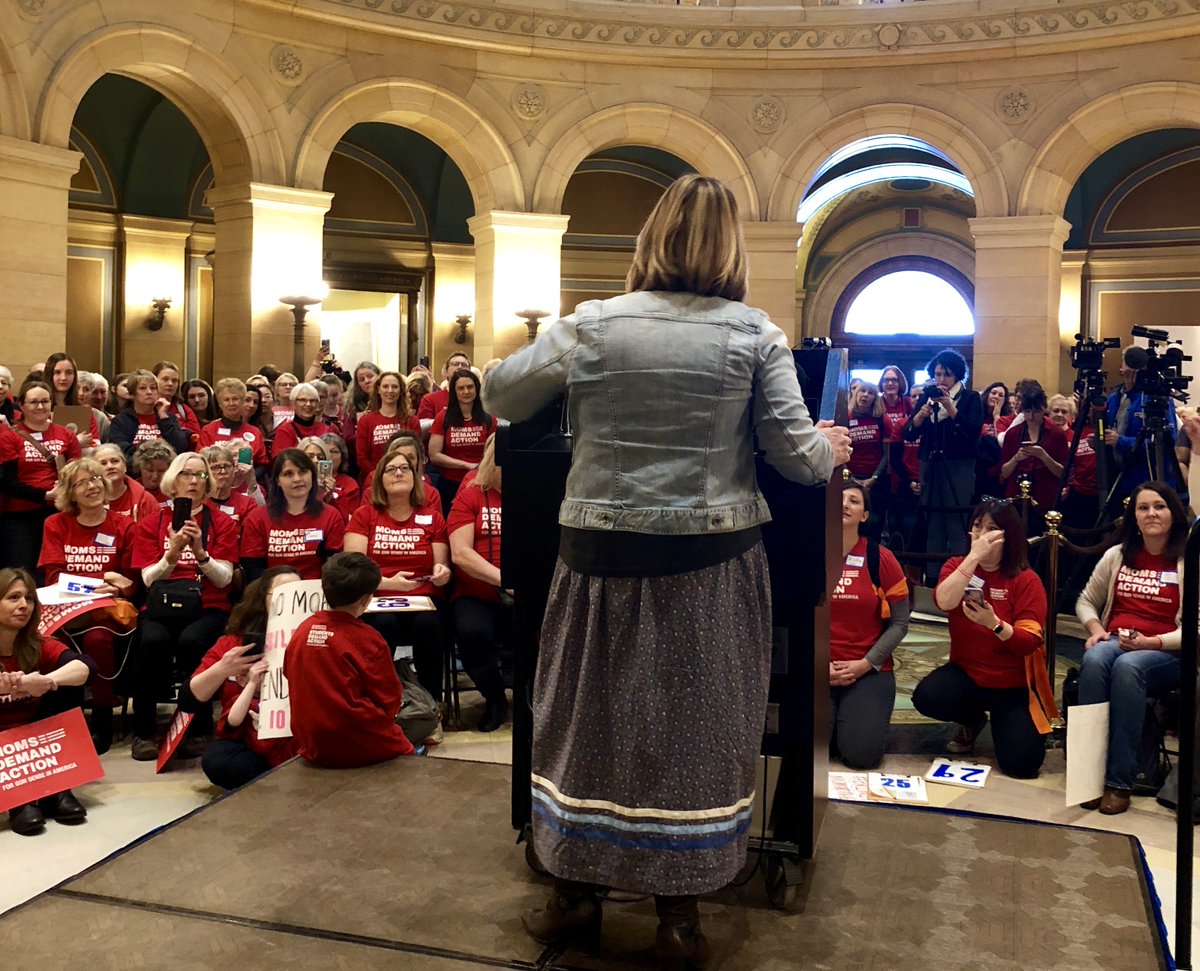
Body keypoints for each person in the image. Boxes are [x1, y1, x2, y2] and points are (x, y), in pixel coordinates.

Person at [483, 174, 846, 965]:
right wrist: (833, 447)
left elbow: (502, 394)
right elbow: (799, 458)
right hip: (710, 563)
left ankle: (573, 896)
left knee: (586, 720)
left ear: (648, 239)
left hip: (596, 555)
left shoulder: (593, 325)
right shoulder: (755, 333)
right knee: (697, 725)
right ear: (732, 249)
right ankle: (678, 917)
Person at [912, 498, 1056, 779]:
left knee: (1022, 765)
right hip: (968, 674)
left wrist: (995, 624)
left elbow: (1029, 641)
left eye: (992, 528)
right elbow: (943, 601)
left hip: (1013, 684)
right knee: (928, 697)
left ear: (1008, 536)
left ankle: (1008, 721)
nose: (983, 533)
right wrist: (973, 557)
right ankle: (972, 719)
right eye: (978, 526)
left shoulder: (1026, 580)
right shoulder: (957, 566)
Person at [1075, 481, 1187, 815]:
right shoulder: (1118, 555)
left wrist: (1154, 642)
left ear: (1173, 512)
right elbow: (1085, 601)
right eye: (1143, 508)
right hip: (1116, 639)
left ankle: (1119, 782)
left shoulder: (1188, 559)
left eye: (1159, 506)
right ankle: (1087, 777)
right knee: (1095, 657)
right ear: (1133, 516)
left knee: (1129, 667)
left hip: (1169, 651)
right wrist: (1095, 629)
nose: (1151, 513)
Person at [129, 451, 239, 760]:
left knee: (194, 642)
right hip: (161, 603)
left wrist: (201, 553)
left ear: (208, 484)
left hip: (207, 603)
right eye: (186, 474)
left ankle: (198, 727)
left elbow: (224, 579)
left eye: (200, 475)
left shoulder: (221, 522)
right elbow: (148, 579)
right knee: (151, 641)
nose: (193, 481)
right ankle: (144, 730)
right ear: (172, 481)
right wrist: (171, 554)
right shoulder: (152, 522)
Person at [38, 458, 137, 753]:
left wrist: (117, 583)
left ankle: (103, 719)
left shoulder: (123, 525)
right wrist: (95, 583)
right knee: (47, 644)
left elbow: (131, 582)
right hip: (65, 608)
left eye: (95, 479)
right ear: (70, 491)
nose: (92, 486)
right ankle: (58, 720)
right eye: (82, 482)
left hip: (107, 610)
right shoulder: (55, 524)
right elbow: (54, 577)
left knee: (97, 639)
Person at [283, 552, 418, 766]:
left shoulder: (302, 630)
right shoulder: (368, 639)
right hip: (360, 741)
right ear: (366, 599)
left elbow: (288, 673)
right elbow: (389, 698)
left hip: (312, 743)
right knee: (408, 750)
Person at [346, 448, 451, 713]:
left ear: (416, 478)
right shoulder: (364, 516)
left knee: (429, 624)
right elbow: (353, 572)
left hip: (424, 599)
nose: (399, 473)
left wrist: (442, 573)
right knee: (384, 624)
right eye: (391, 469)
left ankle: (430, 705)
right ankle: (381, 703)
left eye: (405, 468)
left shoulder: (432, 517)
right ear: (380, 479)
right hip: (377, 600)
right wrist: (389, 583)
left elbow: (441, 565)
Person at [181, 567, 301, 789]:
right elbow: (189, 700)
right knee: (218, 761)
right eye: (282, 594)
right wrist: (223, 668)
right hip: (249, 740)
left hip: (300, 738)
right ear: (262, 599)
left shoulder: (315, 639)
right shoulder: (235, 643)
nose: (290, 600)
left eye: (297, 593)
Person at [0, 568, 95, 835]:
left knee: (67, 685)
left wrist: (46, 681)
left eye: (29, 599)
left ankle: (56, 789)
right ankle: (19, 799)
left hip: (33, 737)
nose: (23, 606)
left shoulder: (37, 643)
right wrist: (14, 683)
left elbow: (85, 667)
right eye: (13, 598)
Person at [829, 479, 909, 769]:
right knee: (809, 749)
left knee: (861, 755)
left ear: (864, 515)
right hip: (816, 667)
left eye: (854, 500)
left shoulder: (880, 558)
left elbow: (900, 622)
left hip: (868, 668)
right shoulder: (808, 554)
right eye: (838, 497)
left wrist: (866, 663)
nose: (844, 504)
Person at [902, 349, 984, 585]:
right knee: (932, 522)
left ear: (957, 376)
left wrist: (950, 407)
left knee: (955, 522)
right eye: (937, 374)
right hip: (930, 463)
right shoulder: (926, 395)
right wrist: (920, 416)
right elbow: (909, 433)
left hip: (959, 466)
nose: (941, 380)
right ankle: (933, 580)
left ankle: (958, 578)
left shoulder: (971, 399)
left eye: (946, 375)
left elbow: (972, 432)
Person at [0, 381, 82, 571]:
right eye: (34, 402)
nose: (40, 407)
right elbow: (6, 482)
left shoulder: (66, 435)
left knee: (55, 569)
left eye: (45, 401)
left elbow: (78, 472)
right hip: (20, 517)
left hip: (60, 512)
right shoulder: (9, 437)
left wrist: (63, 491)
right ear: (22, 406)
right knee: (23, 570)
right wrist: (44, 495)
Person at [240, 449, 345, 583]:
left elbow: (335, 569)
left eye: (303, 472)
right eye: (288, 474)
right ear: (278, 480)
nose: (297, 479)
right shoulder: (257, 518)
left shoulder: (331, 516)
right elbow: (252, 570)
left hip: (317, 593)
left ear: (312, 475)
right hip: (270, 592)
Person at [1105, 347, 1179, 510]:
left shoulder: (1157, 399)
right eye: (1128, 360)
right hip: (1118, 481)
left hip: (1149, 482)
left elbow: (1166, 443)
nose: (1133, 366)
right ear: (1121, 367)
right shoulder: (1113, 399)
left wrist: (1120, 441)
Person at [998, 380, 1067, 532]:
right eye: (1027, 411)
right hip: (1016, 498)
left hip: (1045, 498)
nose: (1031, 416)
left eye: (1036, 411)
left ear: (1044, 409)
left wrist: (1044, 456)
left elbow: (1063, 473)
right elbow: (1004, 472)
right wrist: (1016, 458)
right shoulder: (1013, 433)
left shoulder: (1056, 434)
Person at [429, 369, 496, 514]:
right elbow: (434, 454)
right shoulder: (443, 417)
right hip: (449, 483)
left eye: (470, 387)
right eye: (461, 388)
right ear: (454, 391)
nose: (466, 391)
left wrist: (478, 468)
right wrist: (466, 465)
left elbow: (493, 453)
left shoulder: (489, 418)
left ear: (477, 389)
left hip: (481, 482)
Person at [109, 369, 191, 461]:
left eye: (153, 388)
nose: (149, 392)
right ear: (132, 394)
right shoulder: (121, 420)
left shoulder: (168, 417)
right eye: (142, 388)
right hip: (136, 470)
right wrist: (152, 446)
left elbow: (181, 447)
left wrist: (163, 417)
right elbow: (121, 452)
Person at [355, 371, 419, 487]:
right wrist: (381, 477)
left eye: (395, 387)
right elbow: (362, 458)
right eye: (385, 386)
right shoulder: (366, 420)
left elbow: (416, 455)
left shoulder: (412, 421)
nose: (390, 390)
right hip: (374, 481)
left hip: (404, 480)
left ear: (401, 391)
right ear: (378, 390)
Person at [199, 377, 271, 474]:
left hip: (246, 485)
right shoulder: (208, 430)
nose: (231, 403)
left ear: (242, 401)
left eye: (235, 399)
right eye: (226, 400)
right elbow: (201, 463)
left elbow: (262, 464)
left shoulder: (254, 432)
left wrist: (249, 479)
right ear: (220, 404)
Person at [846, 380, 889, 535]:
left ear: (875, 398)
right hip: (850, 477)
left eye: (870, 393)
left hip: (876, 479)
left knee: (875, 525)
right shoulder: (845, 416)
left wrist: (874, 478)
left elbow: (887, 454)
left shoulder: (882, 419)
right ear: (855, 393)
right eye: (862, 391)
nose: (865, 395)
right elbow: (839, 451)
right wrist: (849, 477)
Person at [201, 443, 261, 535]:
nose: (223, 471)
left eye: (227, 466)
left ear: (234, 470)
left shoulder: (248, 504)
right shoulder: (197, 502)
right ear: (205, 473)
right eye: (216, 467)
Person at [92, 443, 159, 522]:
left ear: (125, 466)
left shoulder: (146, 500)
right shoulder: (88, 501)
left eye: (115, 461)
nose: (110, 466)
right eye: (103, 463)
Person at [42, 353, 97, 447]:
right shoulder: (39, 409)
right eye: (57, 372)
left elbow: (94, 443)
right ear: (49, 375)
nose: (63, 378)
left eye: (69, 373)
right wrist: (74, 442)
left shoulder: (84, 411)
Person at [299, 436, 357, 523]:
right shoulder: (293, 483)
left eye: (320, 457)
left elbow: (344, 523)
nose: (315, 460)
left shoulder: (348, 484)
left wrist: (329, 499)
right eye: (310, 456)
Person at [271, 382, 330, 456]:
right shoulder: (285, 430)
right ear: (293, 403)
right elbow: (281, 460)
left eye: (312, 401)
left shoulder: (327, 430)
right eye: (302, 400)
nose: (308, 404)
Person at [151, 361, 201, 438]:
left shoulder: (184, 410)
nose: (170, 384)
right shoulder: (144, 407)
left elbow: (195, 438)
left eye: (174, 381)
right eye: (165, 379)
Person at [417, 351, 471, 422]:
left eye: (464, 365)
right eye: (455, 364)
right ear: (446, 371)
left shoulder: (477, 398)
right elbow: (422, 427)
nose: (460, 367)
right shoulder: (430, 399)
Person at [320, 433, 361, 520]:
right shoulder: (306, 480)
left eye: (334, 451)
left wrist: (329, 498)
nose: (329, 456)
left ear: (342, 456)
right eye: (325, 451)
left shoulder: (350, 484)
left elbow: (347, 519)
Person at [130, 438, 176, 506]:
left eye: (161, 471)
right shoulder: (131, 490)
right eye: (150, 470)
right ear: (139, 467)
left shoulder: (175, 490)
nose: (155, 476)